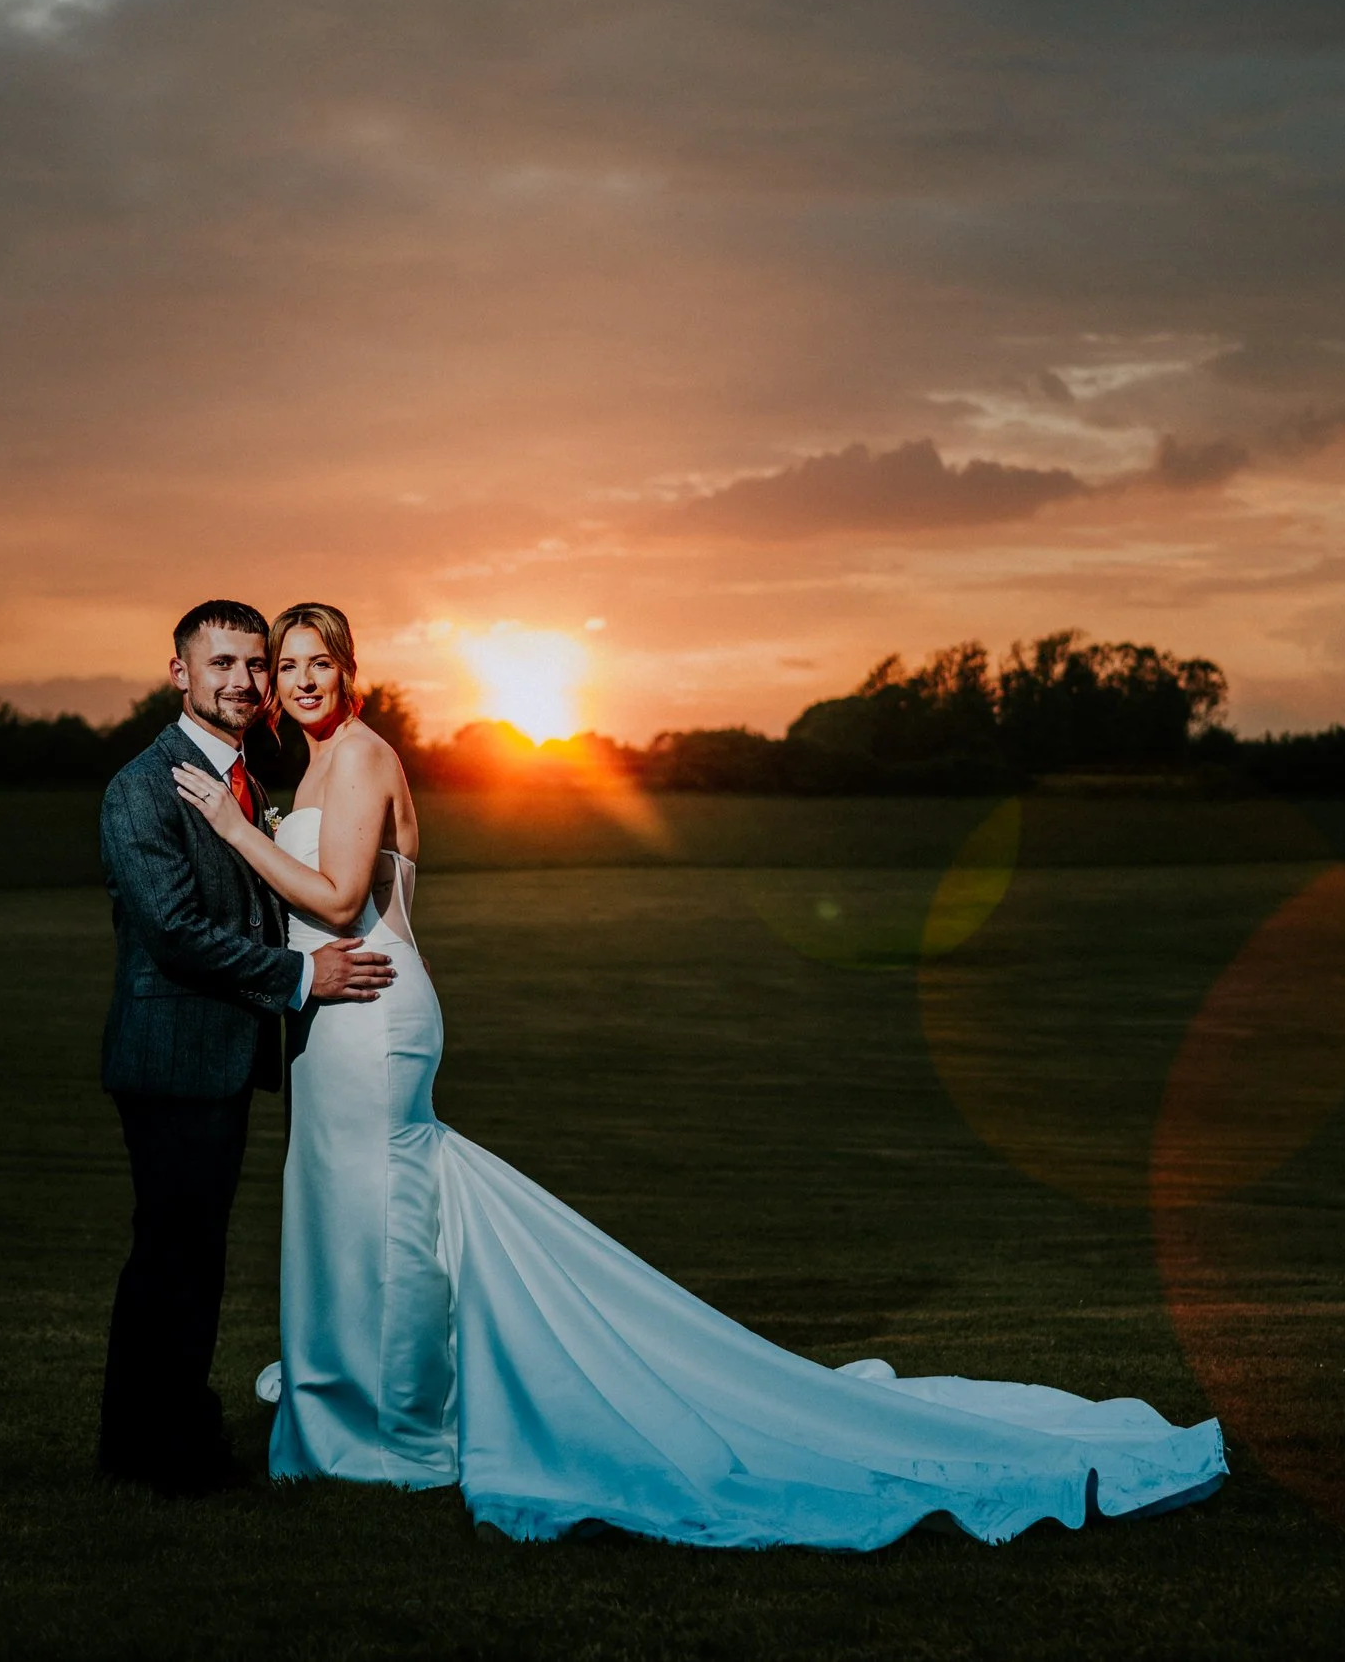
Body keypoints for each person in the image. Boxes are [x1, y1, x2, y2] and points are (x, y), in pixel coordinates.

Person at [170, 601, 1226, 1544]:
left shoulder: (355, 755)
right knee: (347, 1208)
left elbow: (343, 891)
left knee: (387, 1208)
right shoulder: (306, 768)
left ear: (349, 671)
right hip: (328, 1014)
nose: (298, 679)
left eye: (317, 661)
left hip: (369, 1007)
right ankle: (351, 1402)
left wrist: (231, 829)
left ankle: (391, 1432)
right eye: (285, 664)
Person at [94, 599, 397, 1496]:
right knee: (173, 1256)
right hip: (172, 1052)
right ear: (180, 672)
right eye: (221, 664)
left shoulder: (241, 778)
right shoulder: (143, 786)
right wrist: (302, 980)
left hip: (220, 1055)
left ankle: (163, 1437)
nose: (246, 681)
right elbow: (179, 931)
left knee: (191, 1254)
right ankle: (157, 1452)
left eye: (255, 665)